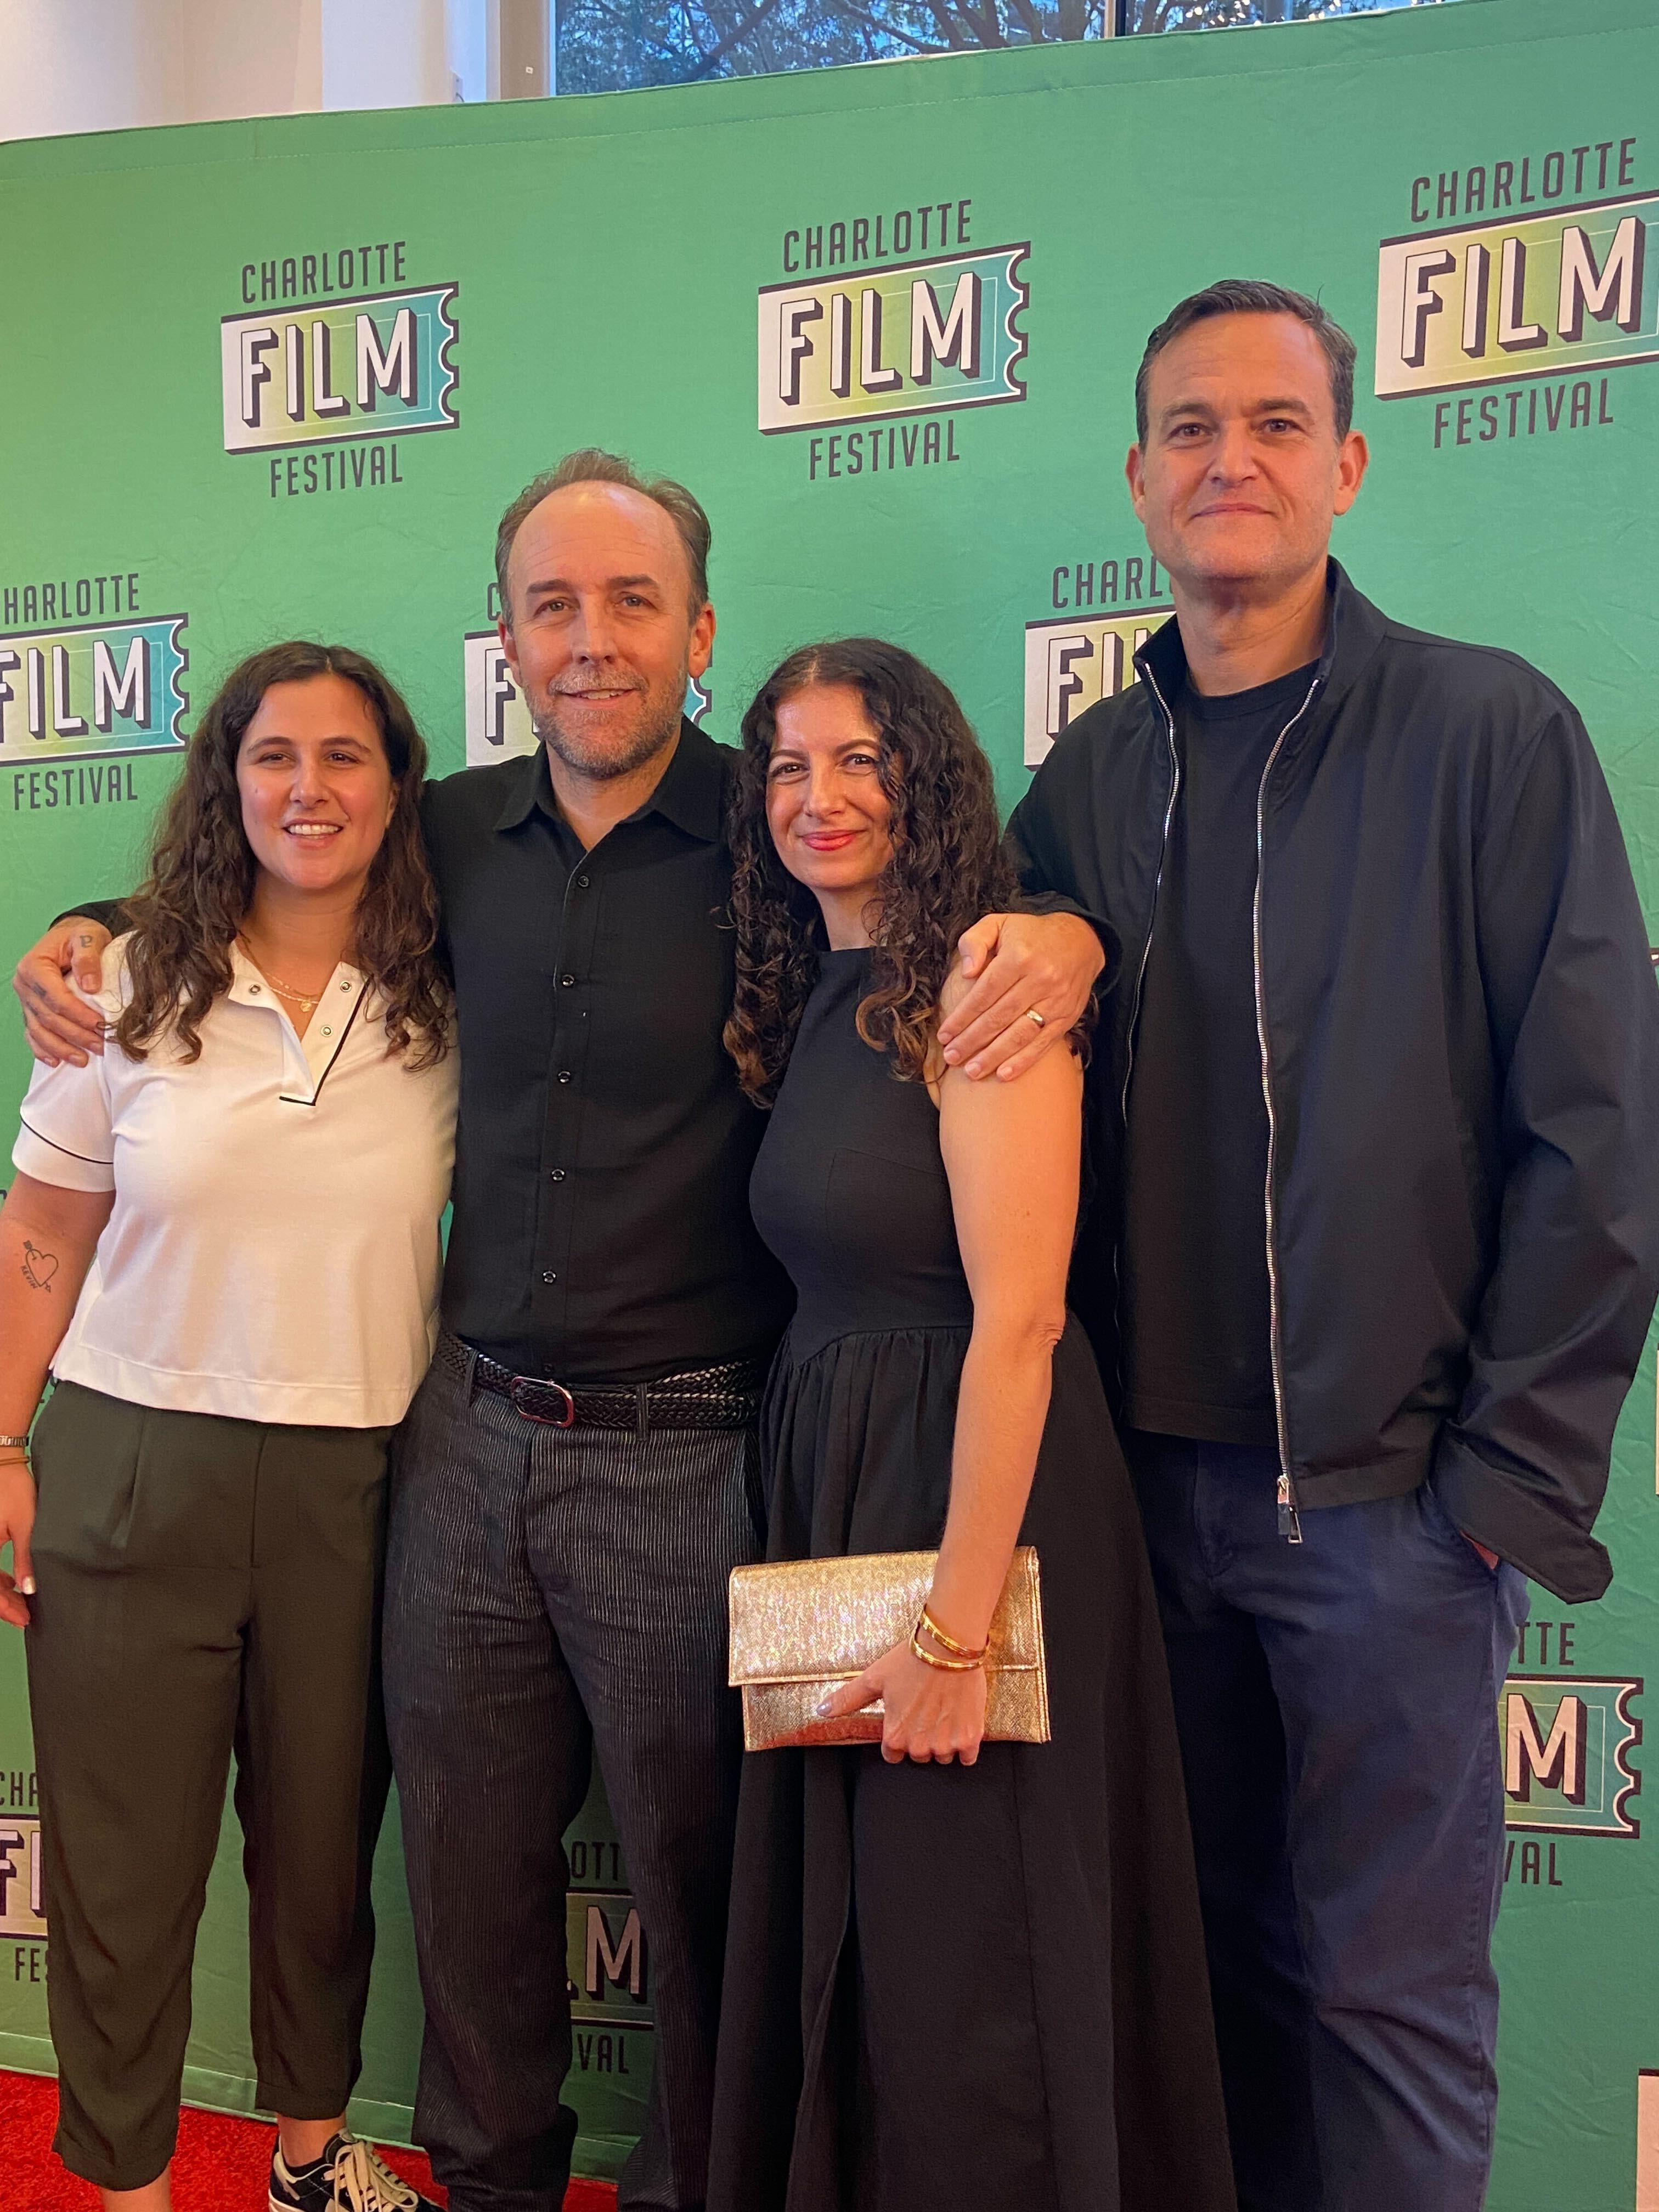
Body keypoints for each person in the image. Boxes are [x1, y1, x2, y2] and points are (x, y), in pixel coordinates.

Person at [11, 453, 1108, 2212]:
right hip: (457, 1438)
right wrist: (93, 933)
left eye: (631, 603)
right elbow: (260, 882)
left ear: (698, 627)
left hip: (700, 1448)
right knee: (465, 1878)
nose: (591, 641)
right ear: (507, 636)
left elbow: (972, 896)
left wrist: (1068, 933)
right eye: (552, 606)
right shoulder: (438, 835)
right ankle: (491, 2186)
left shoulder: (788, 818)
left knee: (697, 1884)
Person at [1003, 279, 1659, 2212]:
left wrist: (1504, 1481)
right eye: (1193, 427)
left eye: (1278, 425)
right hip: (1140, 1502)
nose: (1234, 459)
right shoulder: (1091, 782)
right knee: (1200, 1994)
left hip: (1388, 1509)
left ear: (1348, 466)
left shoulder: (1491, 732)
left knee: (1386, 2002)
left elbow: (1601, 1140)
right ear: (1138, 479)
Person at [706, 638, 1237, 2212]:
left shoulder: (987, 987)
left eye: (859, 760)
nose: (820, 798)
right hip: (836, 1489)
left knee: (971, 1964)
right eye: (788, 769)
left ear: (926, 775)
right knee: (864, 1956)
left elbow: (1021, 1320)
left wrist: (952, 1632)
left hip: (973, 1502)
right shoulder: (820, 993)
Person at [0, 642, 457, 2212]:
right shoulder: (116, 985)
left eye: (345, 757)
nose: (308, 788)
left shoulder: (452, 992)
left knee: (325, 1861)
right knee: (123, 1869)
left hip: (362, 1477)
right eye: (275, 756)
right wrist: (2, 1443)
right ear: (228, 781)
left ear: (400, 789)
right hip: (131, 1461)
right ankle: (126, 2182)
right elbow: (42, 1238)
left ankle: (313, 2159)